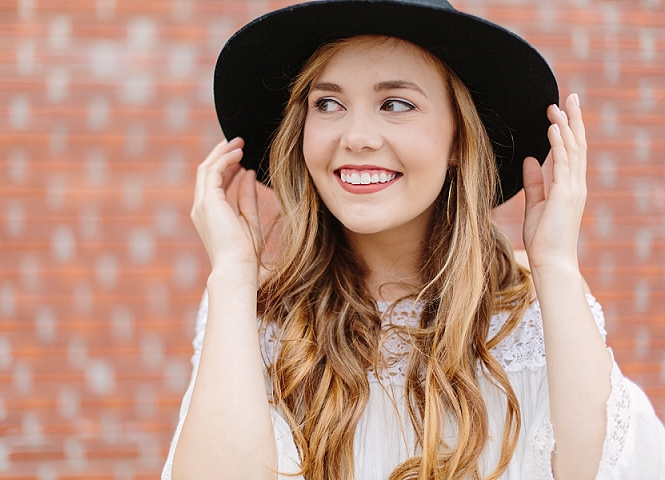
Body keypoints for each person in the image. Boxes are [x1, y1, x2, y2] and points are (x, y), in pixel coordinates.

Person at [163, 1, 665, 479]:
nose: (357, 135)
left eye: (396, 103)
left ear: (458, 140)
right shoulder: (255, 316)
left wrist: (556, 264)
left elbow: (612, 470)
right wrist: (231, 273)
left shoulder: (528, 316)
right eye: (329, 103)